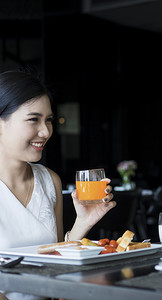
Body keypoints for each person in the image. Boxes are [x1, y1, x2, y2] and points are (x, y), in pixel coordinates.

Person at [0, 69, 116, 298]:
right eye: (33, 119)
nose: (46, 131)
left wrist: (83, 223)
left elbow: (57, 264)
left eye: (49, 120)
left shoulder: (48, 180)